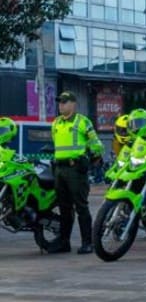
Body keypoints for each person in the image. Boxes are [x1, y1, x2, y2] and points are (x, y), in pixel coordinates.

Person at [50, 91, 104, 254]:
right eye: (60, 102)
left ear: (73, 104)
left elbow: (96, 144)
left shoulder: (82, 122)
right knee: (64, 207)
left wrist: (93, 158)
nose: (61, 105)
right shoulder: (56, 123)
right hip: (60, 169)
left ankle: (88, 243)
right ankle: (64, 242)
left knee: (81, 206)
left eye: (64, 102)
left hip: (75, 169)